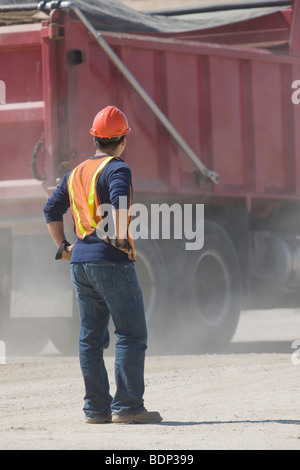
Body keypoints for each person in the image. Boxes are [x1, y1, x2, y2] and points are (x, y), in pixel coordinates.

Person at [43, 106, 162, 424]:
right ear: (123, 139)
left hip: (80, 264)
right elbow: (121, 202)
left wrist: (63, 248)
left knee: (91, 338)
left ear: (95, 138)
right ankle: (128, 408)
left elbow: (51, 209)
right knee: (131, 333)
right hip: (111, 263)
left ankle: (96, 410)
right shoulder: (118, 169)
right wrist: (119, 239)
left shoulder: (76, 172)